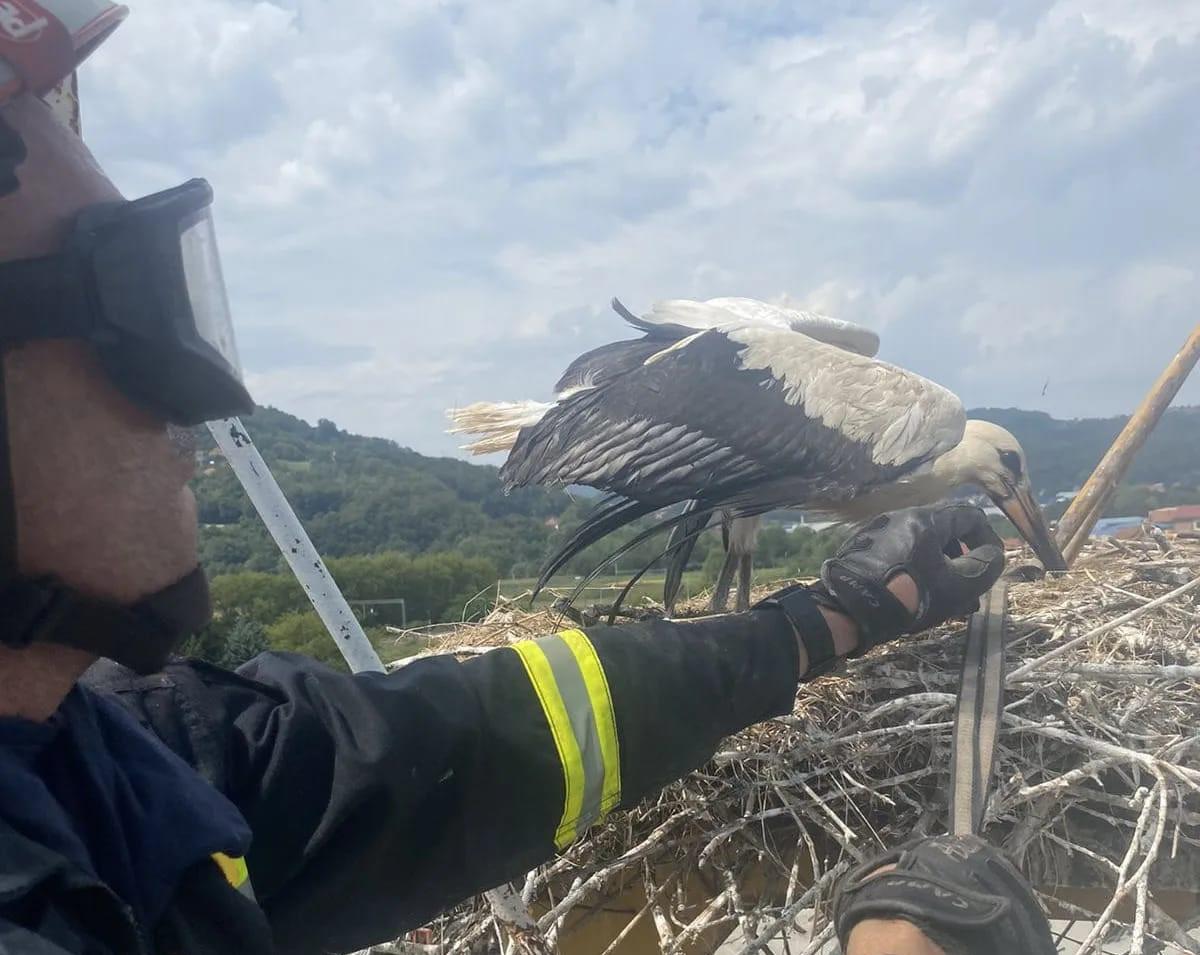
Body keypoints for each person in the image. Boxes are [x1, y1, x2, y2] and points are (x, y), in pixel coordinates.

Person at [0, 5, 1039, 953]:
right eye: (130, 299)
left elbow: (472, 733)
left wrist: (831, 618)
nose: (208, 400)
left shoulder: (116, 764)